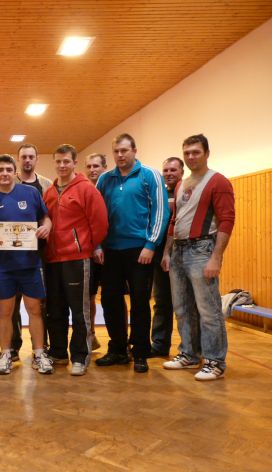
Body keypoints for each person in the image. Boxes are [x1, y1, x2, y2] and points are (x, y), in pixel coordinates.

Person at [161, 134, 235, 381]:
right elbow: (175, 220)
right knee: (182, 308)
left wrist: (216, 257)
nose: (191, 157)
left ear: (207, 153)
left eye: (196, 152)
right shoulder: (181, 184)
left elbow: (227, 220)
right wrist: (167, 252)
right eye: (187, 153)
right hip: (179, 251)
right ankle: (189, 354)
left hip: (202, 250)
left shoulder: (218, 181)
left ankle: (215, 361)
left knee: (208, 310)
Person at [95, 133, 169, 373]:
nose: (120, 155)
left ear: (134, 151)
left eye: (124, 150)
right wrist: (97, 244)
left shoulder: (150, 175)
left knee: (139, 301)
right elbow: (96, 214)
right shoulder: (105, 179)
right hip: (110, 250)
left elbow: (161, 212)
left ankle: (140, 352)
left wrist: (151, 244)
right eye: (116, 151)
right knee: (110, 300)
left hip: (140, 250)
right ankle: (118, 349)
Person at [0, 154, 53, 375]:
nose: (4, 173)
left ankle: (39, 353)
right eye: (0, 170)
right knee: (6, 311)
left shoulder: (30, 193)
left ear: (14, 172)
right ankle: (5, 354)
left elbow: (45, 218)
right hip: (3, 266)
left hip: (30, 263)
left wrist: (46, 227)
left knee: (34, 310)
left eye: (8, 170)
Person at [44, 145, 108, 376]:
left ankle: (80, 356)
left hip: (77, 259)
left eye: (66, 161)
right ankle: (58, 353)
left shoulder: (87, 189)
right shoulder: (49, 192)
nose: (62, 165)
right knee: (55, 309)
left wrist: (84, 247)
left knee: (79, 311)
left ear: (74, 163)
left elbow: (100, 224)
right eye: (58, 161)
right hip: (52, 259)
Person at [11, 143, 52, 359]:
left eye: (31, 157)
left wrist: (47, 227)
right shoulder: (9, 182)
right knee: (12, 302)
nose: (27, 160)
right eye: (23, 157)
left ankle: (41, 347)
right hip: (12, 252)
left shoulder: (46, 185)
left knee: (39, 302)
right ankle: (13, 347)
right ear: (18, 159)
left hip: (40, 252)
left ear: (36, 159)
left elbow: (50, 217)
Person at [149, 157, 184, 357]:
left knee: (185, 304)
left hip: (183, 254)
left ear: (182, 172)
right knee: (162, 301)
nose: (169, 173)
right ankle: (159, 345)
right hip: (160, 256)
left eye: (173, 170)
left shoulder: (186, 192)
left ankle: (190, 349)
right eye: (166, 170)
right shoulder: (159, 194)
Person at [84, 153, 108, 351]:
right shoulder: (84, 190)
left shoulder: (111, 188)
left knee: (113, 296)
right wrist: (95, 246)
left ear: (104, 167)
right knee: (90, 296)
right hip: (90, 251)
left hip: (113, 249)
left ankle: (121, 341)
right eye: (89, 166)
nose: (92, 170)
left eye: (96, 166)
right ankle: (90, 335)